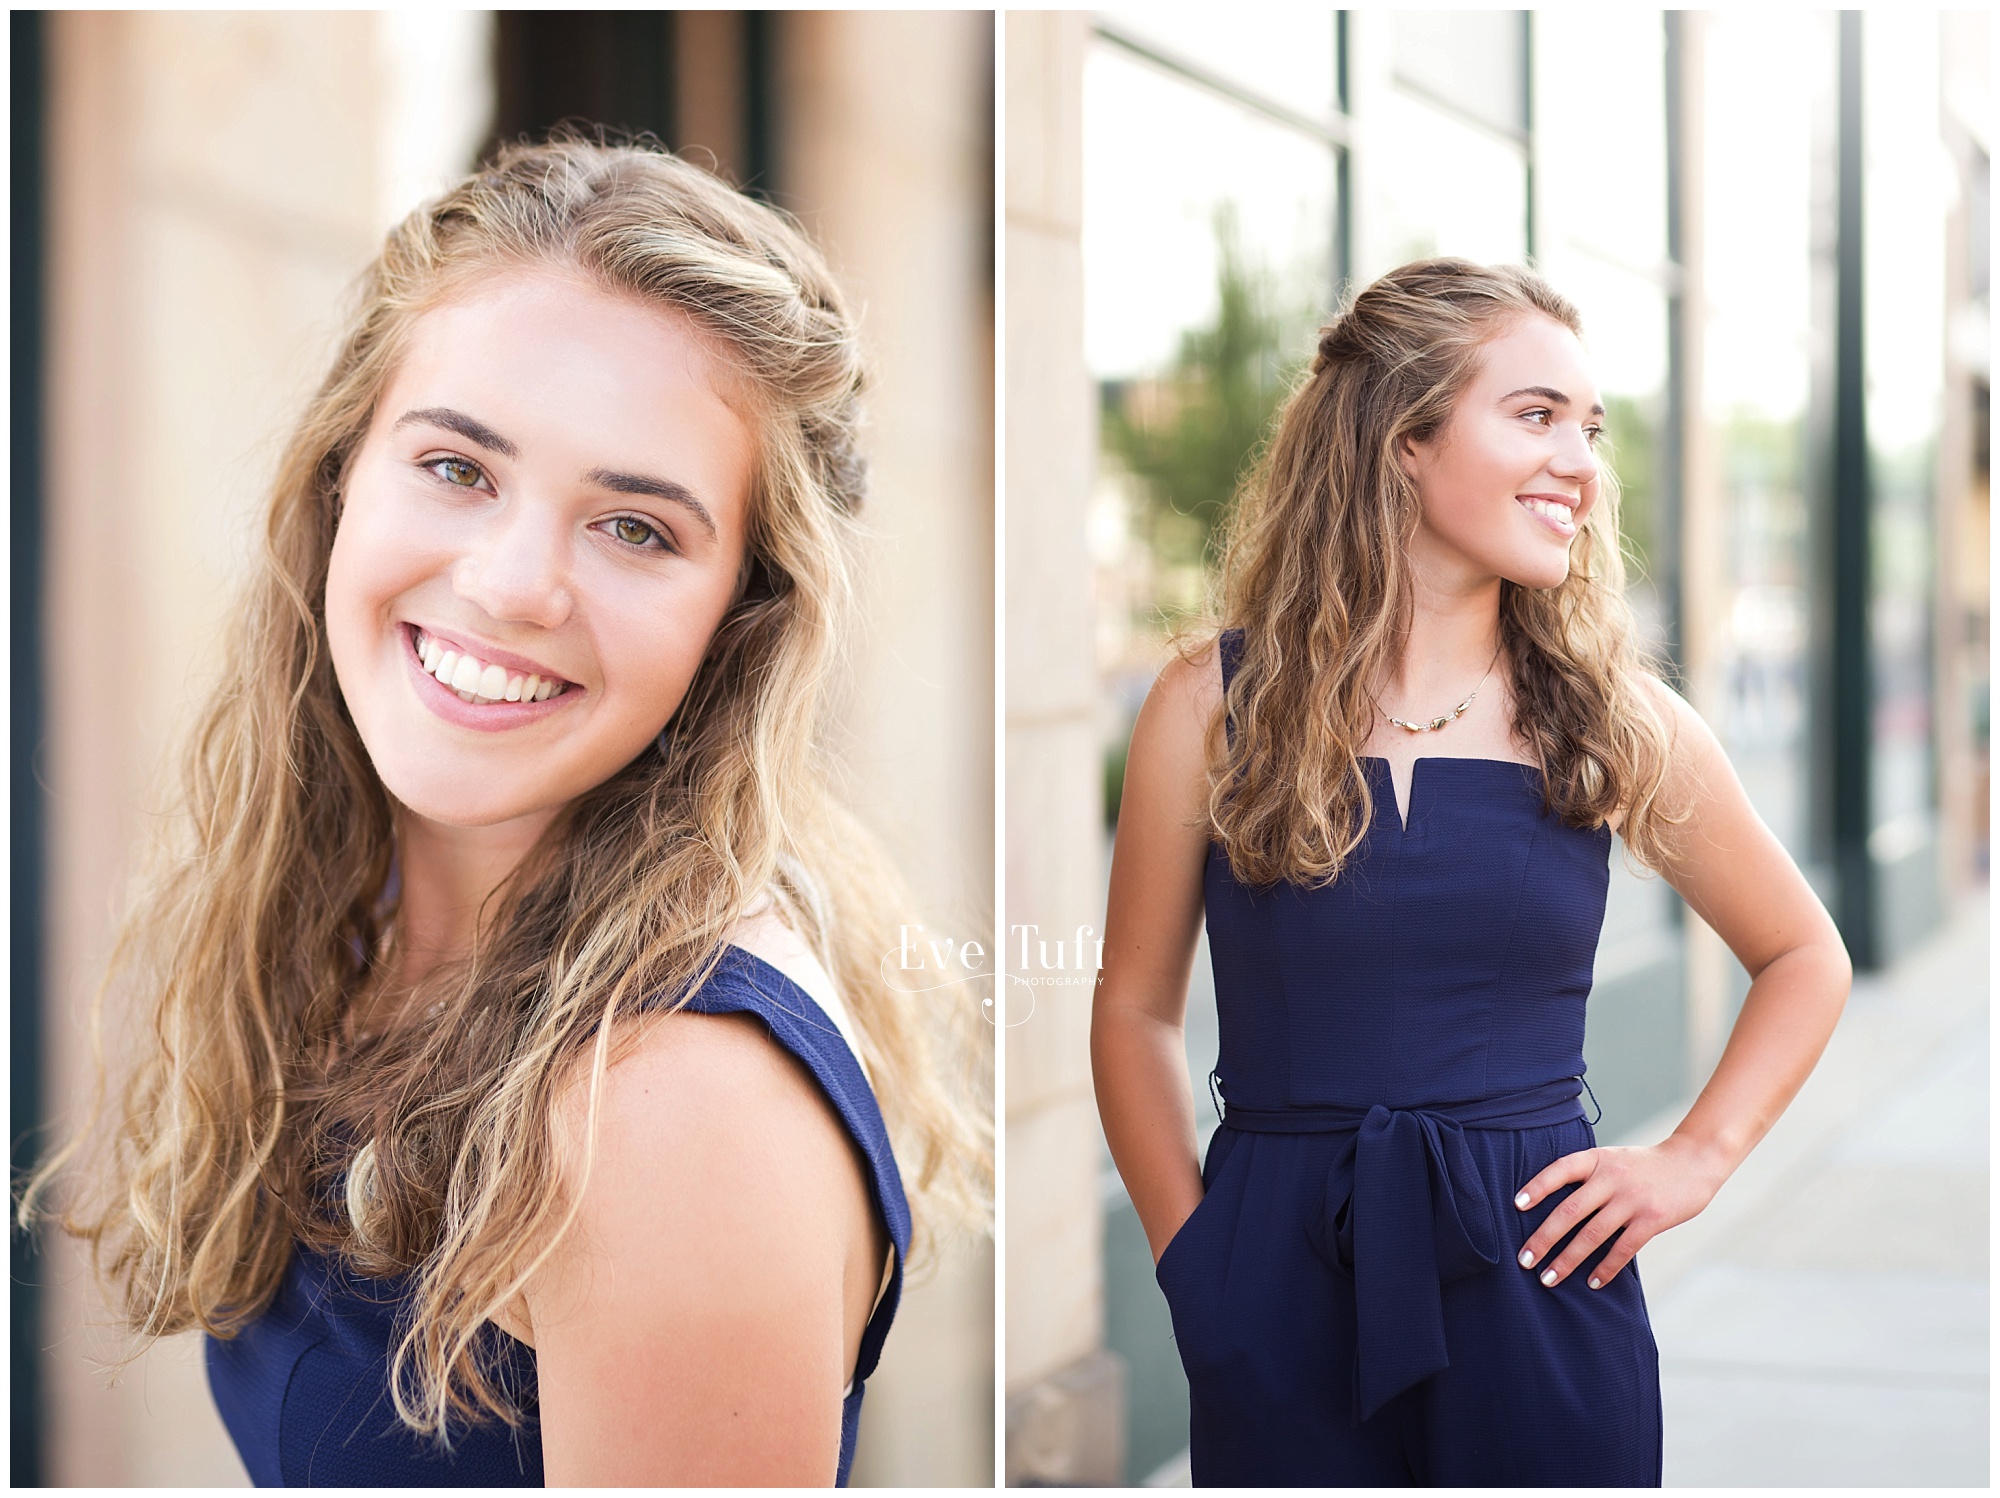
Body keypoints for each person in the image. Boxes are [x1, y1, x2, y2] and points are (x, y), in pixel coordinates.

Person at [23, 137, 989, 1487]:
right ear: (342, 475)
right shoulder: (365, 920)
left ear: (740, 621)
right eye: (459, 468)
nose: (515, 582)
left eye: (637, 528)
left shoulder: (670, 1105)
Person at [1092, 258, 1851, 1486]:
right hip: (1276, 1289)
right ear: (1402, 436)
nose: (1581, 465)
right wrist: (1201, 1266)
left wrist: (1692, 1159)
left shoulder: (1614, 719)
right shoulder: (1212, 704)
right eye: (1536, 415)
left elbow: (1802, 955)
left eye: (1588, 429)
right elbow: (1131, 1010)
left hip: (1541, 1285)